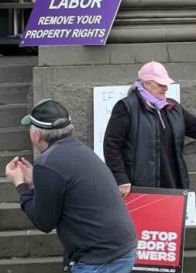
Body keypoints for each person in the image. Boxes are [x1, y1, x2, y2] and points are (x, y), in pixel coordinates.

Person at [5, 100, 137, 272]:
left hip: (97, 259)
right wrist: (34, 183)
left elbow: (43, 222)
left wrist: (21, 185)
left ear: (37, 135)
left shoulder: (47, 163)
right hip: (123, 248)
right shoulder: (83, 151)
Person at [103, 61, 196, 193]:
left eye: (165, 84)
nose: (165, 88)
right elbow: (111, 144)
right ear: (146, 83)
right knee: (145, 225)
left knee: (169, 225)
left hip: (173, 184)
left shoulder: (173, 107)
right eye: (160, 84)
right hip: (140, 185)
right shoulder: (127, 107)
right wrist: (121, 178)